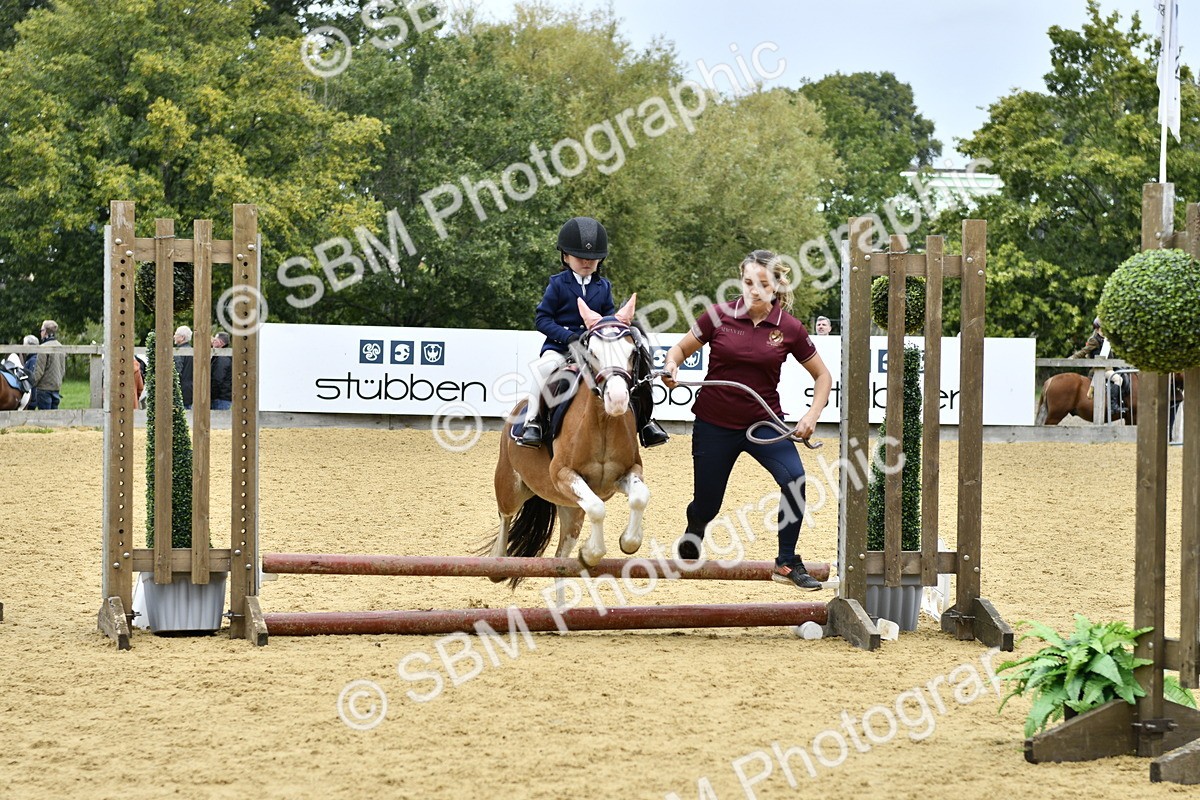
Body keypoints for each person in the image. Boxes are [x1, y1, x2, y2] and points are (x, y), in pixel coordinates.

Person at [662, 250, 833, 591]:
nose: (755, 290)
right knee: (707, 504)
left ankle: (786, 562)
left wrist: (812, 414)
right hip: (714, 424)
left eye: (764, 284)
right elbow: (678, 351)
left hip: (764, 424)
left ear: (777, 285)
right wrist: (671, 366)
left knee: (796, 480)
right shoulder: (718, 315)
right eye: (748, 282)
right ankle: (696, 529)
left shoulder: (789, 328)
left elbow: (823, 376)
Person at [516, 216, 669, 449]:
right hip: (561, 348)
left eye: (592, 258)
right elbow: (542, 319)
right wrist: (567, 336)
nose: (586, 262)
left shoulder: (603, 286)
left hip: (596, 350)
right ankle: (533, 421)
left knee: (631, 372)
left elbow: (608, 320)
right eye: (580, 257)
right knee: (543, 369)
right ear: (566, 257)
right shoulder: (557, 284)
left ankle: (646, 422)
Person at [31, 320, 66, 410]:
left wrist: (30, 384)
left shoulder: (43, 348)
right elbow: (62, 369)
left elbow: (39, 371)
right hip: (56, 387)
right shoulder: (61, 346)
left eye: (41, 330)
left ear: (45, 332)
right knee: (54, 416)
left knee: (44, 417)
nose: (40, 333)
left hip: (44, 388)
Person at [173, 325, 194, 410]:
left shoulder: (179, 352)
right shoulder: (192, 351)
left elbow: (176, 372)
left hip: (180, 391)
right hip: (190, 391)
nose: (174, 336)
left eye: (176, 334)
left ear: (182, 338)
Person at [210, 331, 232, 410]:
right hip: (221, 398)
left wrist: (211, 395)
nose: (213, 342)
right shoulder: (221, 357)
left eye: (215, 340)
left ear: (221, 343)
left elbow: (217, 379)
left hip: (220, 399)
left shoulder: (222, 358)